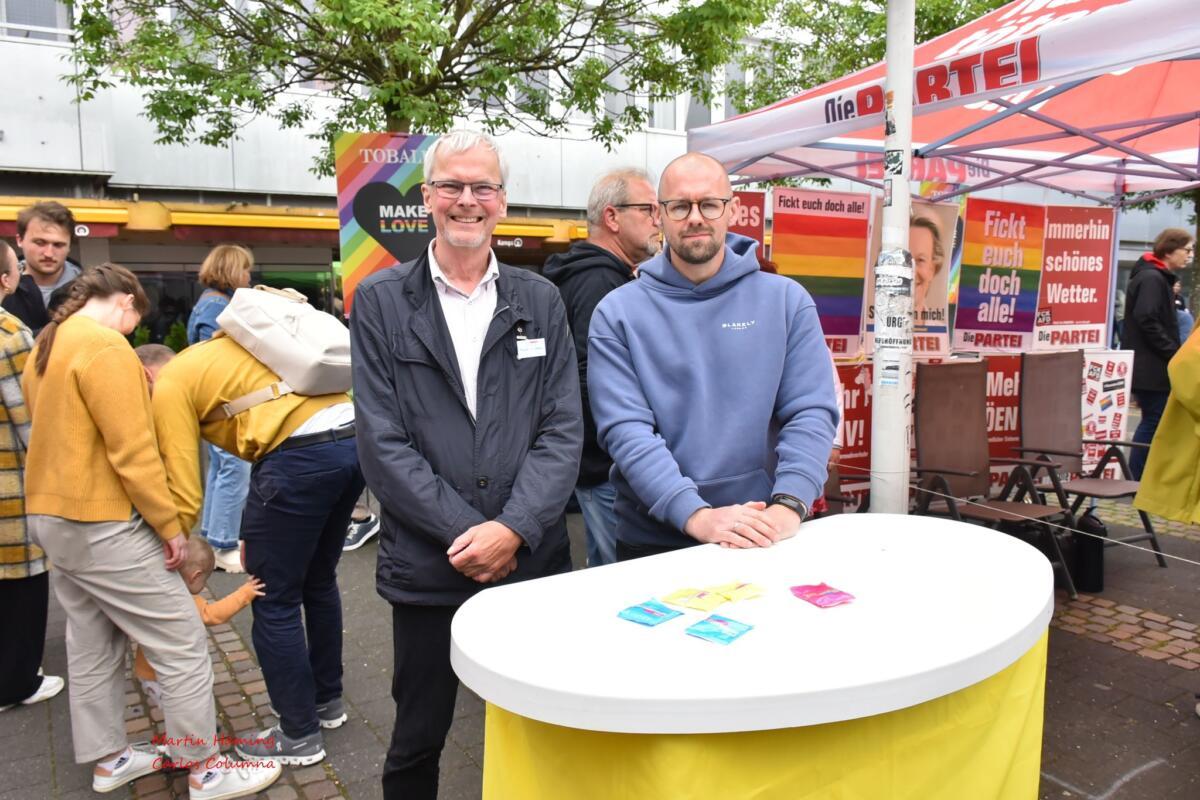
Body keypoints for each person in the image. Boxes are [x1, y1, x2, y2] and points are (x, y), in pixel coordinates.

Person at [350, 130, 582, 800]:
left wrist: (513, 529)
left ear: (502, 202)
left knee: (540, 730)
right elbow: (382, 443)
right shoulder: (381, 300)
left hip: (529, 563)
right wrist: (467, 532)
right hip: (429, 564)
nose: (466, 200)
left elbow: (562, 430)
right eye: (451, 185)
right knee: (418, 738)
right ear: (426, 198)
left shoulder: (540, 300)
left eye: (482, 186)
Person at [21, 264, 280, 799]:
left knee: (92, 641)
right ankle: (204, 768)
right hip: (100, 520)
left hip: (50, 516)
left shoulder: (49, 344)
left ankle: (110, 758)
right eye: (135, 316)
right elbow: (133, 450)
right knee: (181, 643)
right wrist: (170, 527)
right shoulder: (105, 347)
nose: (132, 328)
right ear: (126, 302)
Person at [136, 314, 364, 767]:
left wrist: (173, 543)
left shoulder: (169, 386)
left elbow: (185, 483)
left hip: (297, 456)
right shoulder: (226, 349)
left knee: (274, 597)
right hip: (353, 439)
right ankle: (326, 701)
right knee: (318, 580)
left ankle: (298, 734)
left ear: (146, 375)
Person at [588, 152, 839, 560]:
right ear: (660, 214)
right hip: (655, 538)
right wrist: (696, 514)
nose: (695, 217)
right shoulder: (617, 313)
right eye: (680, 205)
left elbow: (810, 412)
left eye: (709, 204)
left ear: (731, 209)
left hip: (765, 527)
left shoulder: (786, 301)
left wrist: (790, 503)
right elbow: (626, 431)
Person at [543, 168, 660, 566]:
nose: (658, 220)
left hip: (594, 463)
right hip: (608, 465)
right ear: (612, 217)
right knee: (622, 581)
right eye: (648, 209)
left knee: (604, 569)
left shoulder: (582, 276)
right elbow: (590, 377)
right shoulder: (601, 285)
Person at [0, 240, 65, 712]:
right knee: (22, 582)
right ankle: (17, 681)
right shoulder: (11, 335)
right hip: (9, 490)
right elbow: (31, 423)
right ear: (7, 280)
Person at [132, 533, 264, 704]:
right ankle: (192, 728)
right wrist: (245, 593)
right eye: (204, 580)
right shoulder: (183, 603)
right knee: (182, 707)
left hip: (146, 670)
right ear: (195, 576)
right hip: (166, 676)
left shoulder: (152, 594)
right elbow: (214, 614)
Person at [187, 245, 255, 573]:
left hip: (210, 401)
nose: (248, 276)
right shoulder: (218, 305)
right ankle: (224, 544)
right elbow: (214, 354)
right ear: (231, 270)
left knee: (220, 469)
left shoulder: (207, 302)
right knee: (234, 469)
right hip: (224, 402)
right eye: (244, 269)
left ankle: (213, 540)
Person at [1124, 228, 1193, 479]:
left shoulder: (1155, 276)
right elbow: (1147, 319)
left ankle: (1141, 476)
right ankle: (1137, 478)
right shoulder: (1152, 278)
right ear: (1169, 249)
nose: (1190, 255)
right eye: (1187, 249)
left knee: (1154, 419)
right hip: (1151, 367)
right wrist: (1172, 351)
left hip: (1150, 365)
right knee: (1154, 420)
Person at [2, 201, 82, 334]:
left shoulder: (91, 292)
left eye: (58, 245)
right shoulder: (3, 289)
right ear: (19, 240)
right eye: (40, 243)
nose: (49, 253)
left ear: (69, 246)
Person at [910, 215, 946, 322]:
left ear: (932, 270)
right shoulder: (870, 332)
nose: (911, 272)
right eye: (902, 259)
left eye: (920, 260)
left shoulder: (942, 334)